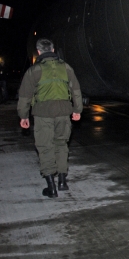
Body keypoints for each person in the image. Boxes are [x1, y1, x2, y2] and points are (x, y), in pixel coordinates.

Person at [17, 38, 83, 198]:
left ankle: (51, 187)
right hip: (63, 113)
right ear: (53, 50)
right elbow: (76, 91)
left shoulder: (34, 71)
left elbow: (25, 97)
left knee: (45, 147)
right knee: (61, 144)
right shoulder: (66, 68)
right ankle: (62, 181)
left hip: (42, 114)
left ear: (39, 52)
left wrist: (23, 116)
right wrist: (77, 110)